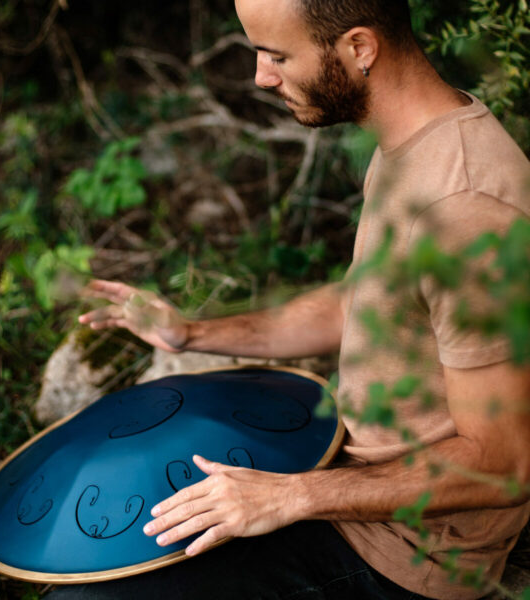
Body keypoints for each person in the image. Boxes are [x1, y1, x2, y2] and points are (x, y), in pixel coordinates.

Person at [48, 0, 530, 598]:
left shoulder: (463, 207)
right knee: (92, 556)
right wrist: (193, 335)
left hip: (406, 558)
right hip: (341, 484)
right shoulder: (412, 145)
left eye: (278, 55)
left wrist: (292, 496)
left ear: (359, 48)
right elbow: (360, 304)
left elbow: (501, 464)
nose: (261, 76)